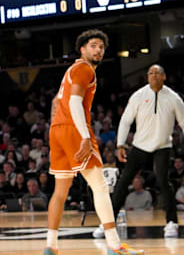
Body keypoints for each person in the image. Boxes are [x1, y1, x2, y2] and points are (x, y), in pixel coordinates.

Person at [44, 29, 141, 255]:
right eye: (93, 46)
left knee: (60, 191)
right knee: (99, 185)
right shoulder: (84, 69)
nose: (98, 50)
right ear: (82, 49)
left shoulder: (70, 70)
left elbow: (55, 102)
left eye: (101, 47)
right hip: (74, 130)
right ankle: (114, 245)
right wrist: (85, 137)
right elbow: (76, 103)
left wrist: (56, 127)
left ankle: (51, 246)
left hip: (57, 130)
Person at [93, 64, 184, 239]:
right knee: (123, 181)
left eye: (158, 73)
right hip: (140, 146)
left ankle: (171, 222)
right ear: (148, 76)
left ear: (164, 77)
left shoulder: (174, 99)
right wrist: (120, 145)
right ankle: (108, 224)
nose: (154, 75)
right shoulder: (139, 96)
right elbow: (126, 120)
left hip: (162, 146)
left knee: (164, 181)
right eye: (151, 73)